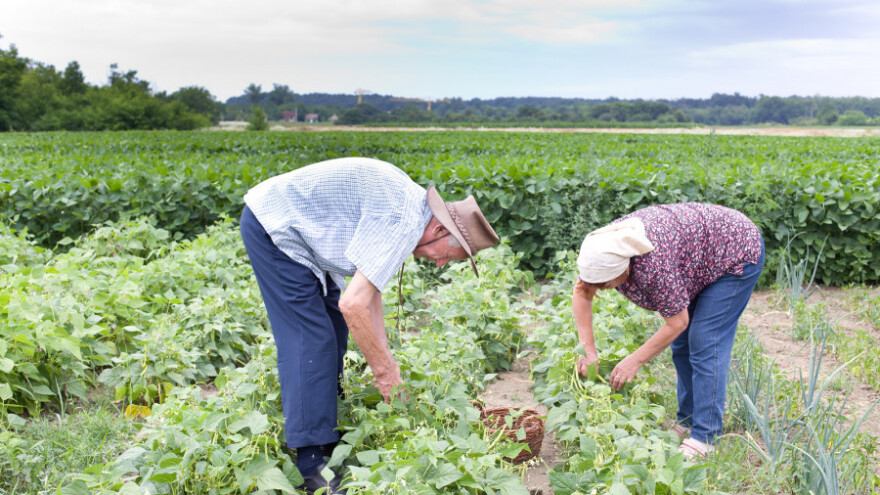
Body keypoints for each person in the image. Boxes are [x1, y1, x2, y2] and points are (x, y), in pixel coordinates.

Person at [239, 157, 499, 494]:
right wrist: (385, 374)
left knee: (334, 327)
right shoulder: (404, 223)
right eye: (447, 255)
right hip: (272, 225)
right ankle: (312, 462)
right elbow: (354, 303)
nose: (439, 262)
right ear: (438, 229)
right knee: (311, 338)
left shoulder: (411, 215)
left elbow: (369, 296)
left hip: (299, 232)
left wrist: (387, 360)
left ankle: (326, 426)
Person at [572, 202, 764, 460]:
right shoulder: (602, 248)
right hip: (698, 257)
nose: (602, 290)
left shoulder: (653, 266)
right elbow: (582, 291)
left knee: (705, 340)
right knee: (682, 345)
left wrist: (634, 360)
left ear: (624, 270)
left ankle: (705, 437)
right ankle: (688, 419)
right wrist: (589, 351)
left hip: (734, 252)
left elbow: (677, 322)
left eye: (605, 285)